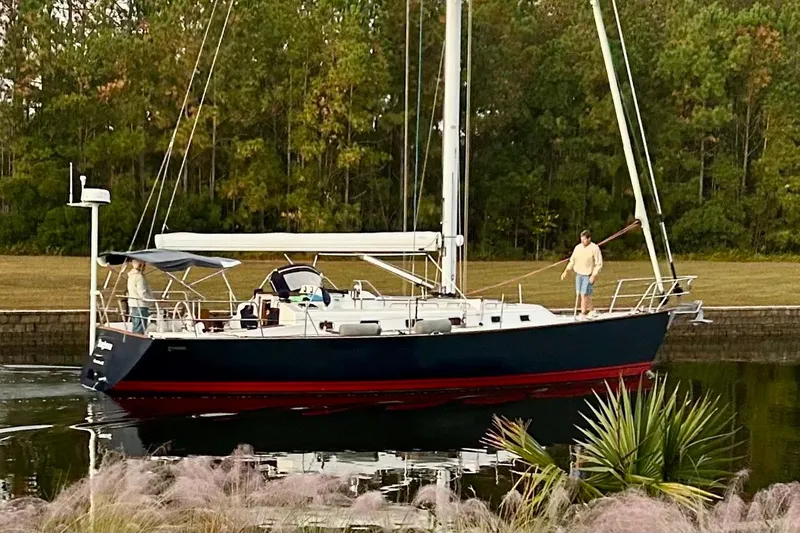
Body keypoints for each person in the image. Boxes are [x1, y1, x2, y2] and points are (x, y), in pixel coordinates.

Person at [561, 230, 603, 320]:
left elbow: (599, 263)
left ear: (589, 239)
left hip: (588, 275)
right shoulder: (578, 248)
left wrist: (593, 275)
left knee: (584, 294)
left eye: (584, 239)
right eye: (581, 239)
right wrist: (566, 271)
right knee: (582, 294)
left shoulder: (594, 248)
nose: (582, 241)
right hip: (579, 274)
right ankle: (592, 310)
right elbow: (572, 260)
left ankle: (583, 313)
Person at [127, 259, 154, 334]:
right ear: (141, 265)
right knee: (140, 328)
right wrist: (152, 302)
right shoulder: (139, 277)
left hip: (133, 304)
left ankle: (132, 341)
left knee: (136, 326)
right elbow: (142, 293)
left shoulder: (131, 276)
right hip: (141, 305)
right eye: (144, 264)